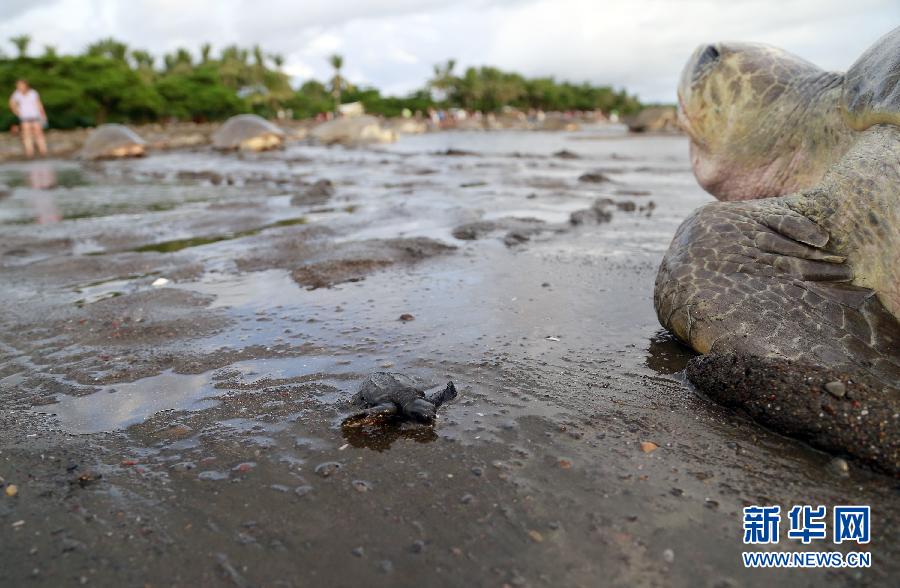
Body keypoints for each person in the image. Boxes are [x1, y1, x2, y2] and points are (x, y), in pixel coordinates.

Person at [8, 79, 48, 158]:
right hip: (24, 117)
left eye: (20, 85)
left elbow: (38, 104)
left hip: (35, 116)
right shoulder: (16, 94)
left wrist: (43, 114)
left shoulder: (33, 93)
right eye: (18, 86)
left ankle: (43, 151)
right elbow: (11, 103)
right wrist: (17, 112)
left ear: (26, 85)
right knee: (27, 135)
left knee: (39, 133)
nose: (19, 87)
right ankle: (30, 152)